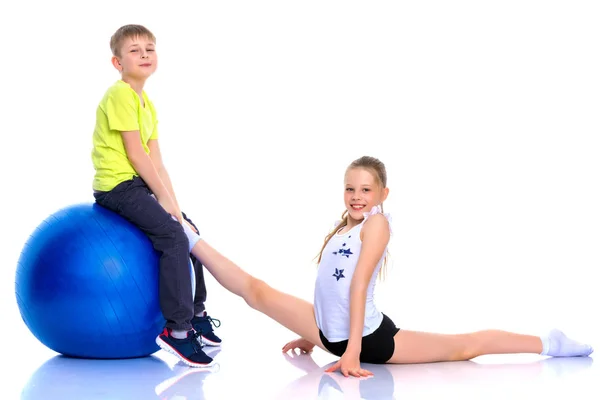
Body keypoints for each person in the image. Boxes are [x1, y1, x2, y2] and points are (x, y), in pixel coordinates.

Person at [178, 155, 593, 375]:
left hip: (371, 339)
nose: (356, 196)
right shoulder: (345, 227)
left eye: (365, 189)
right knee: (257, 292)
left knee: (465, 347)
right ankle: (191, 239)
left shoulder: (375, 224)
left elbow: (357, 287)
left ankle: (548, 342)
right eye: (349, 188)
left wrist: (353, 352)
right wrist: (311, 335)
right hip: (330, 333)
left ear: (382, 192)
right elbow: (330, 288)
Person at [90, 24, 221, 368]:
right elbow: (135, 155)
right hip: (117, 186)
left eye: (150, 48)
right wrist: (162, 200)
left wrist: (173, 203)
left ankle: (195, 313)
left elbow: (156, 160)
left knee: (187, 229)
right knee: (174, 238)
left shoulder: (145, 102)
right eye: (134, 50)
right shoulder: (118, 94)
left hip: (139, 183)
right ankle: (176, 332)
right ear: (117, 63)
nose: (144, 54)